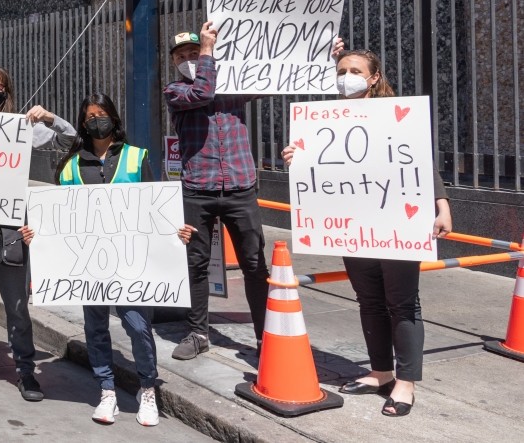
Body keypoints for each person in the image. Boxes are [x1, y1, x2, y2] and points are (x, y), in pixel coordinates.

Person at [282, 49, 452, 417]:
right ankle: (380, 372)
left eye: (355, 71)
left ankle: (406, 382)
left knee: (403, 302)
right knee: (369, 300)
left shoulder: (396, 113)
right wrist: (297, 158)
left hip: (396, 222)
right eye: (342, 70)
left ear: (374, 77)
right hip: (354, 223)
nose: (347, 77)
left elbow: (420, 160)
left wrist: (442, 205)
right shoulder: (327, 119)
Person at [167, 24, 345, 362]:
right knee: (196, 264)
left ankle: (265, 336)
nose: (190, 59)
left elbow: (280, 77)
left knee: (254, 264)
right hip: (197, 189)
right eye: (183, 56)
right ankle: (198, 332)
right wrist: (207, 51)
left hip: (240, 186)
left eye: (195, 52)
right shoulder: (175, 90)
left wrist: (323, 55)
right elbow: (202, 93)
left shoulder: (234, 82)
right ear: (175, 62)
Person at [25, 93, 195, 426]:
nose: (96, 121)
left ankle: (147, 388)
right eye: (89, 117)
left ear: (114, 119)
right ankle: (107, 390)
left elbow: (156, 208)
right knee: (96, 329)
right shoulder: (71, 166)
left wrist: (177, 232)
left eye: (101, 114)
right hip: (89, 267)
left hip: (133, 265)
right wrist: (38, 234)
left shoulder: (136, 157)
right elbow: (60, 220)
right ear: (83, 123)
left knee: (138, 327)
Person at [0, 65, 76, 402]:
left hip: (10, 230)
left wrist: (49, 117)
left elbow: (70, 137)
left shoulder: (24, 128)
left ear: (7, 92)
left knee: (17, 305)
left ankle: (25, 369)